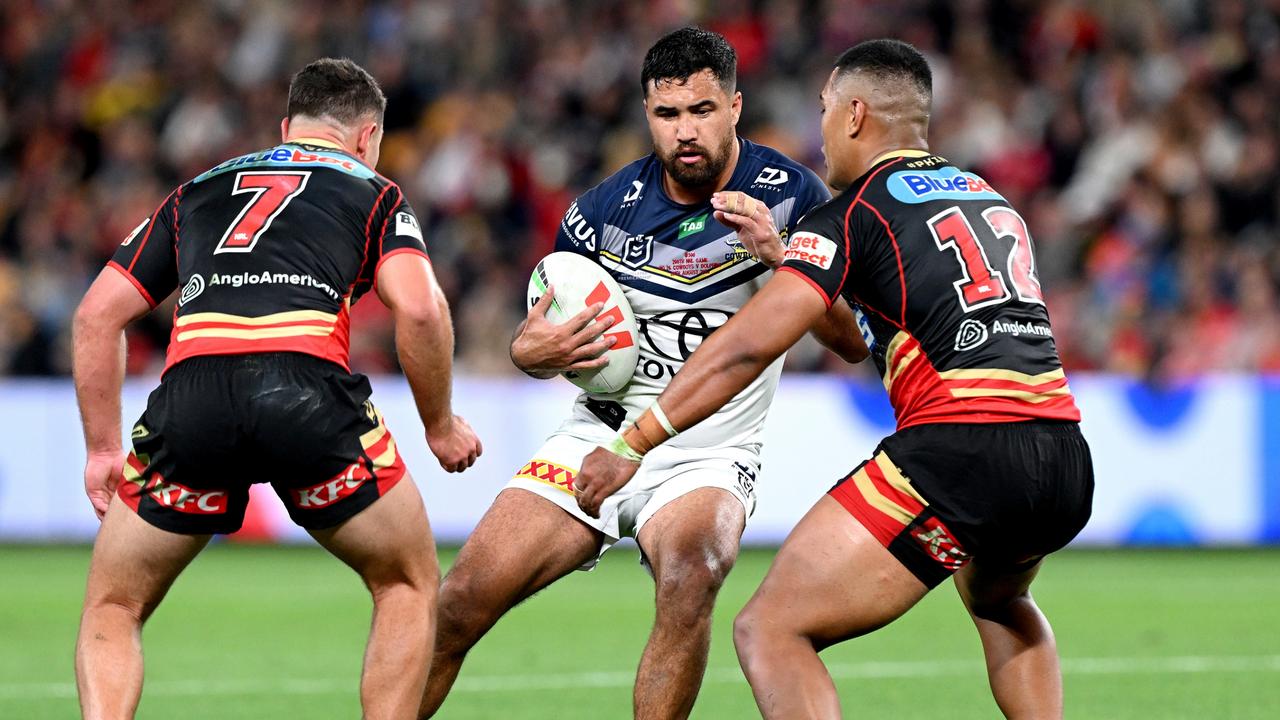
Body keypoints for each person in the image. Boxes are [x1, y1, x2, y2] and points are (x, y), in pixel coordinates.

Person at [576, 39, 1094, 720]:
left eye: (823, 112)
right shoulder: (985, 197)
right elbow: (890, 333)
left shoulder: (855, 210)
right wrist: (780, 255)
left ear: (854, 115)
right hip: (1063, 458)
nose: (818, 135)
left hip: (961, 449)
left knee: (770, 629)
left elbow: (748, 345)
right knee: (1000, 599)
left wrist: (632, 443)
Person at [420, 27, 865, 720]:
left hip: (709, 452)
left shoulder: (792, 197)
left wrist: (783, 259)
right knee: (459, 602)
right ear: (647, 115)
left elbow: (852, 343)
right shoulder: (602, 211)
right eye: (667, 115)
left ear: (736, 107)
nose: (685, 131)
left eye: (702, 111)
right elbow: (546, 328)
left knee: (693, 574)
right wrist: (526, 354)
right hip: (595, 437)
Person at [72, 58, 482, 720]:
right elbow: (423, 310)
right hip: (304, 390)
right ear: (366, 137)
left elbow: (96, 316)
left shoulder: (197, 190)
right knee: (405, 582)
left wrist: (100, 449)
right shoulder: (375, 190)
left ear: (287, 127)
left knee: (115, 603)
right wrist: (438, 425)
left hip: (192, 398)